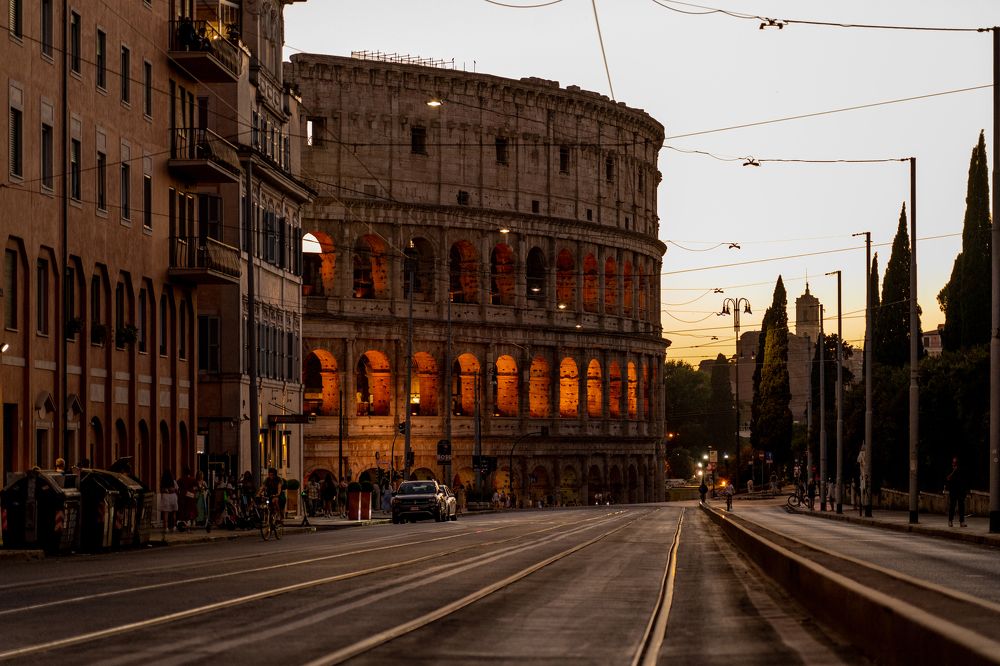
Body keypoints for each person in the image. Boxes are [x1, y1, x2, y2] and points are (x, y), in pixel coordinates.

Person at [944, 456, 968, 528]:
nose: (954, 464)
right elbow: (948, 478)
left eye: (956, 462)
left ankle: (962, 522)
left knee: (961, 506)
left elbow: (964, 479)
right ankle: (950, 521)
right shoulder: (949, 469)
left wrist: (964, 490)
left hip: (960, 490)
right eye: (953, 462)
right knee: (952, 506)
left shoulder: (961, 470)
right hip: (953, 490)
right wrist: (953, 471)